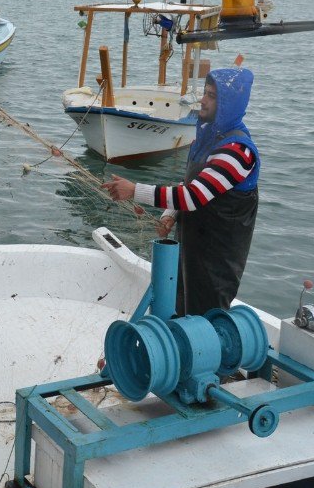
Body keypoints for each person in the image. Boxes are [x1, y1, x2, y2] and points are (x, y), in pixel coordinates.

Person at [101, 68, 260, 316]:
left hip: (217, 260)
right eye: (205, 93)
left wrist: (134, 190)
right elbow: (190, 184)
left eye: (212, 96)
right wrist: (170, 214)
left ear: (229, 104)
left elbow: (194, 196)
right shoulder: (208, 137)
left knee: (205, 318)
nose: (203, 100)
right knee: (181, 307)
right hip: (192, 248)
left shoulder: (238, 151)